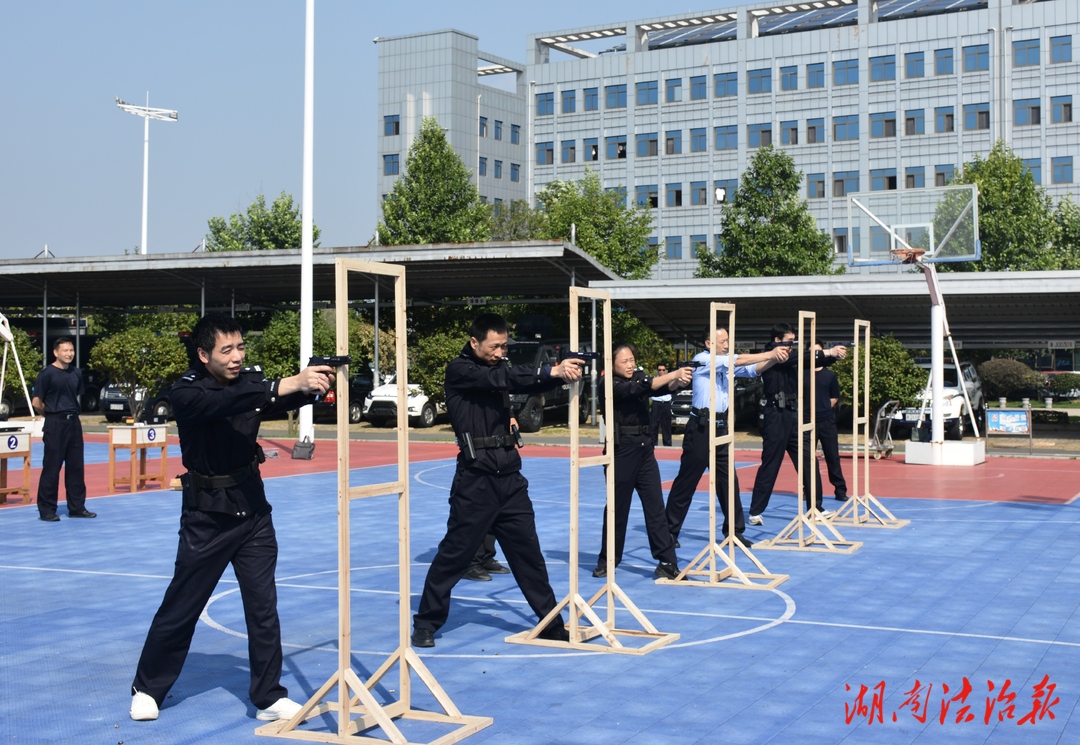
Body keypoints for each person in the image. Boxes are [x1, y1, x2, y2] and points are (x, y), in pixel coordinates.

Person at [130, 313, 333, 723]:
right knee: (182, 605)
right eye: (227, 350)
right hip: (207, 516)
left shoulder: (250, 383)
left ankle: (268, 695)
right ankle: (148, 687)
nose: (237, 356)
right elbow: (229, 402)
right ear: (204, 354)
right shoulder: (187, 392)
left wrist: (314, 385)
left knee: (263, 606)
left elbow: (275, 398)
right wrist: (284, 383)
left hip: (253, 511)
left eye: (241, 347)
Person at [411, 313, 584, 648]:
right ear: (474, 342)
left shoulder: (497, 368)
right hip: (476, 480)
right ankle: (426, 622)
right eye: (495, 346)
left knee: (529, 555)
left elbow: (519, 380)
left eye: (505, 345)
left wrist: (562, 373)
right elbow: (500, 379)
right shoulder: (460, 370)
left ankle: (550, 623)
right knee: (455, 554)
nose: (500, 351)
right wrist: (550, 370)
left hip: (510, 478)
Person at [665, 329, 788, 550]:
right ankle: (669, 533)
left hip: (721, 427)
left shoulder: (725, 362)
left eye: (728, 340)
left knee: (729, 482)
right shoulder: (703, 359)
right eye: (722, 341)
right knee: (687, 482)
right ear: (708, 343)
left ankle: (734, 532)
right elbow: (739, 359)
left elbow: (751, 370)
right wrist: (770, 353)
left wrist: (774, 360)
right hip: (702, 428)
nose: (726, 344)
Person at [593, 343, 693, 579]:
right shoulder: (608, 384)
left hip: (644, 449)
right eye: (624, 361)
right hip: (621, 451)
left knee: (655, 506)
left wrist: (678, 382)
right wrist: (674, 374)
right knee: (617, 509)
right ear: (612, 364)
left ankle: (667, 562)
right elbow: (638, 388)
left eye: (631, 360)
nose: (629, 365)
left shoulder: (637, 376)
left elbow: (656, 390)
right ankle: (608, 560)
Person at [748, 324, 847, 525]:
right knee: (771, 463)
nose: (791, 346)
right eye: (788, 341)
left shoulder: (790, 356)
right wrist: (827, 351)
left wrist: (832, 356)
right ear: (777, 341)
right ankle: (755, 511)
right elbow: (799, 358)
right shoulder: (772, 354)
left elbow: (808, 360)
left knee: (808, 461)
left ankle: (815, 506)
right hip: (776, 415)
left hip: (793, 414)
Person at [32, 337, 94, 521]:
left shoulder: (75, 373)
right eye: (65, 350)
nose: (69, 354)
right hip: (55, 423)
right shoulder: (47, 374)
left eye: (71, 350)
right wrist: (51, 415)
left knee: (76, 467)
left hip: (73, 423)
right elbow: (37, 402)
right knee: (52, 467)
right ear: (56, 352)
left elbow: (73, 396)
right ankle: (47, 509)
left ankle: (77, 507)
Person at [815, 342, 849, 502]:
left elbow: (834, 397)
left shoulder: (829, 375)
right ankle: (809, 489)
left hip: (826, 420)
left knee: (832, 456)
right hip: (807, 421)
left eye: (818, 351)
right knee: (807, 458)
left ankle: (840, 489)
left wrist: (823, 408)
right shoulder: (801, 373)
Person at [649, 365, 674, 447]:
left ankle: (667, 445)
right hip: (656, 403)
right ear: (657, 370)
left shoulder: (669, 380)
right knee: (654, 425)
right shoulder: (655, 380)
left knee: (666, 425)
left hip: (666, 404)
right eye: (660, 370)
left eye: (663, 370)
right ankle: (653, 444)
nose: (661, 371)